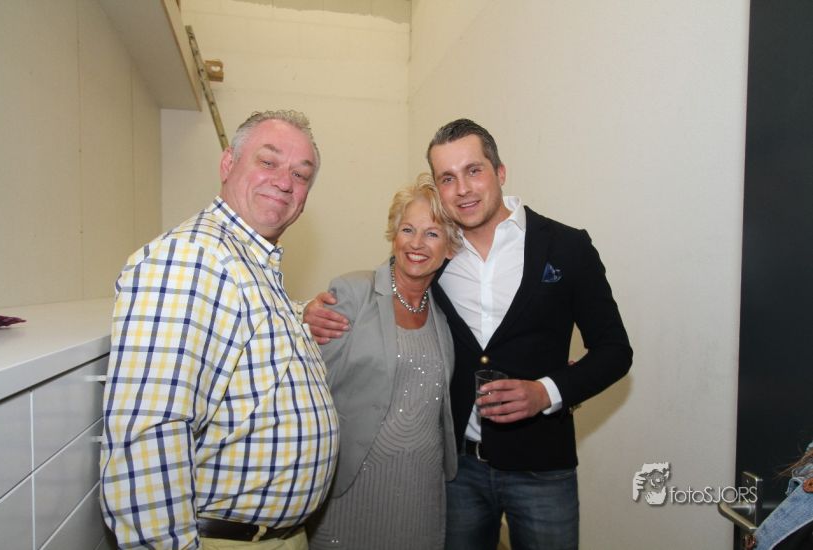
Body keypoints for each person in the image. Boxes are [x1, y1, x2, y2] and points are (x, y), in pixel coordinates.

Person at [306, 118, 632, 550]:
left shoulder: (566, 247)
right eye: (447, 178)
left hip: (543, 469)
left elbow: (614, 351)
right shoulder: (437, 250)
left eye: (473, 171)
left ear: (500, 172)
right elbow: (381, 292)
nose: (462, 189)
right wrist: (309, 310)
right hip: (458, 472)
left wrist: (547, 392)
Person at [100, 110, 339, 550]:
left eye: (300, 174)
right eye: (268, 162)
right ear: (228, 163)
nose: (284, 182)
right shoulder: (192, 257)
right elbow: (149, 435)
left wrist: (300, 313)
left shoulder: (248, 262)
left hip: (278, 538)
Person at [307, 174, 462, 550]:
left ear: (450, 248)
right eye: (408, 229)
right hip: (352, 484)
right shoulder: (353, 293)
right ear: (394, 234)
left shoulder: (445, 314)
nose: (416, 243)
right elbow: (310, 386)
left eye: (432, 233)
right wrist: (301, 316)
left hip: (421, 489)